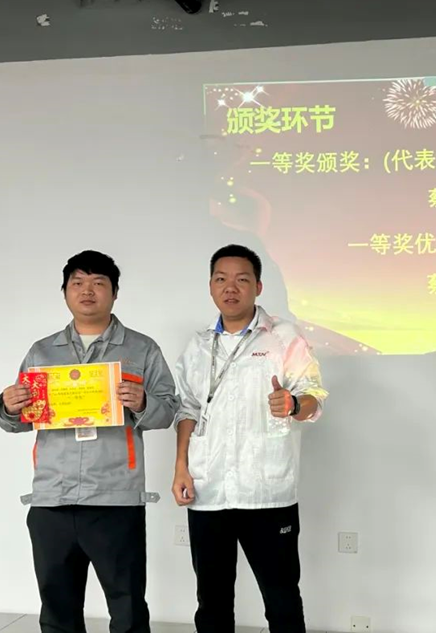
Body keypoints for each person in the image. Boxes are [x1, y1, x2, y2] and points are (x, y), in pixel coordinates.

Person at [0, 250, 179, 633]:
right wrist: (9, 406)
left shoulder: (141, 349)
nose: (87, 291)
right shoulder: (42, 352)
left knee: (127, 609)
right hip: (52, 500)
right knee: (57, 612)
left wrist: (143, 402)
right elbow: (19, 422)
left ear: (115, 292)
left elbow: (168, 413)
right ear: (65, 291)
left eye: (98, 283)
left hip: (115, 499)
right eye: (77, 282)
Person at [172, 244, 328, 633]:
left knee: (281, 597)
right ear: (211, 286)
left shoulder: (283, 337)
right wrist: (181, 468)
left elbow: (314, 398)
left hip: (267, 492)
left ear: (258, 287)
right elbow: (187, 409)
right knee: (211, 599)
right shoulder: (198, 345)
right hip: (209, 489)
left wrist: (293, 403)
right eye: (221, 279)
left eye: (242, 279)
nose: (231, 287)